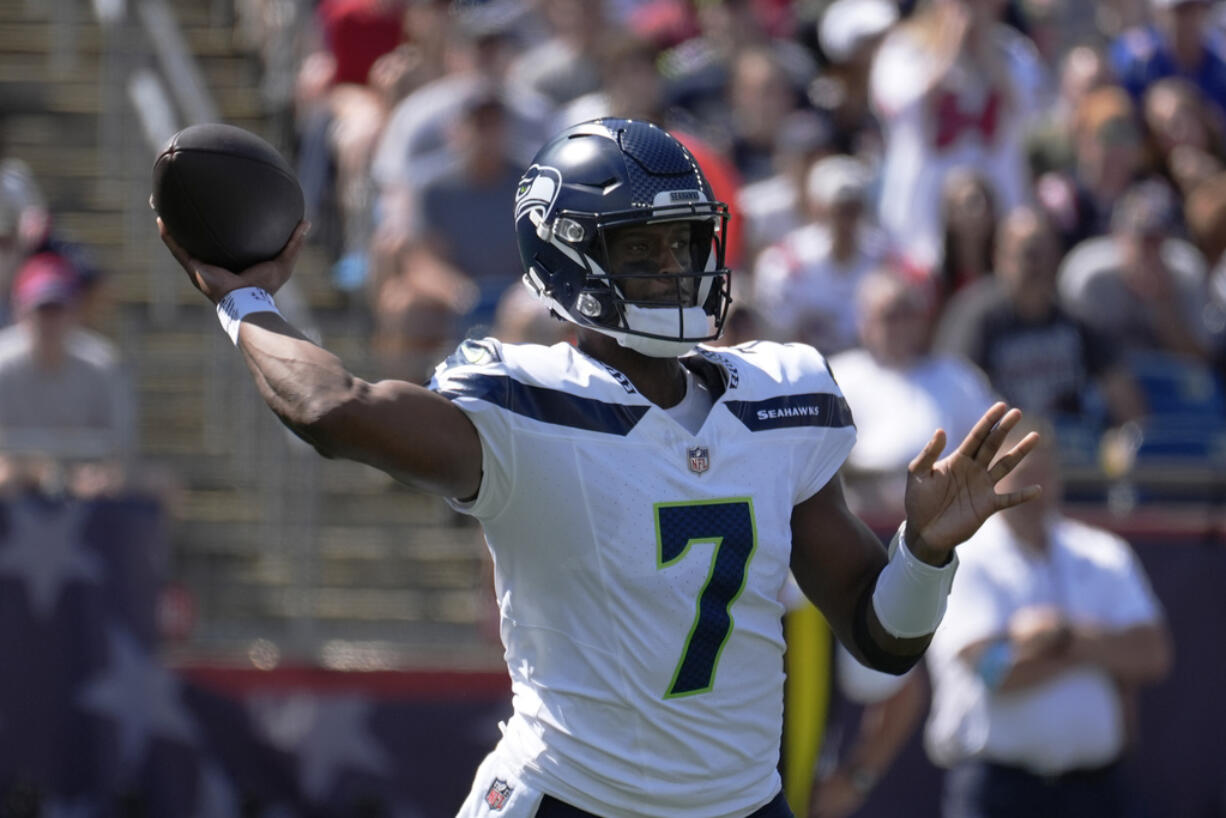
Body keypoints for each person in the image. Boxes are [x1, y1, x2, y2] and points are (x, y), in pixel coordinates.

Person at [158, 119, 1040, 818]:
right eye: (641, 249)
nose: (674, 268)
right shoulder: (523, 402)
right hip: (571, 799)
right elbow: (331, 408)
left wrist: (924, 549)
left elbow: (883, 641)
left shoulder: (782, 394)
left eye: (684, 244)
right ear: (569, 257)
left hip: (736, 806)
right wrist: (245, 300)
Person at [923, 415, 1173, 818]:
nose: (1032, 489)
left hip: (1095, 790)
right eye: (1020, 473)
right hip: (998, 791)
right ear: (992, 478)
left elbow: (1152, 654)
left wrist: (1059, 639)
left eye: (1042, 473)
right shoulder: (965, 558)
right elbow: (994, 673)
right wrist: (1100, 653)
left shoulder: (1104, 552)